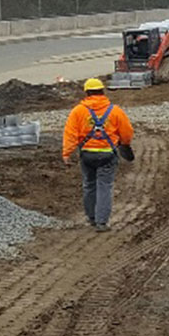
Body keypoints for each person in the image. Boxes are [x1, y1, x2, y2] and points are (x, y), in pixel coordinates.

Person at [61, 77, 135, 232]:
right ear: (103, 91)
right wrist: (125, 144)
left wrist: (67, 153)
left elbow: (70, 133)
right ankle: (102, 222)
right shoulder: (115, 111)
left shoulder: (78, 111)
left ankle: (92, 218)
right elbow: (127, 132)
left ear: (87, 93)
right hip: (107, 155)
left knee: (89, 185)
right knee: (104, 187)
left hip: (87, 155)